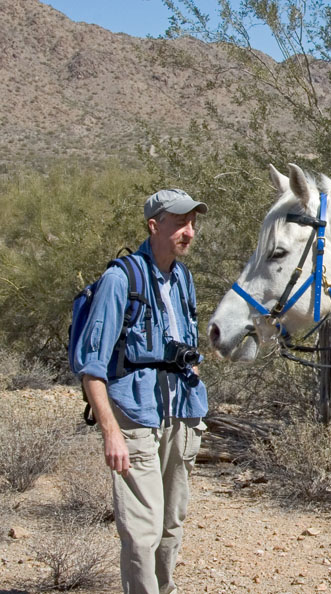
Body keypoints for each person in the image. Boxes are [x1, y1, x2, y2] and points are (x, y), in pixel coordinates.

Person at [74, 189, 209, 593]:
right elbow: (92, 367)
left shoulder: (183, 279)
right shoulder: (121, 280)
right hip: (136, 415)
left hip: (180, 412)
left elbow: (188, 345)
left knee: (171, 524)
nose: (190, 232)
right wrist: (110, 432)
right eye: (181, 223)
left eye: (193, 223)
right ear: (154, 225)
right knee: (142, 529)